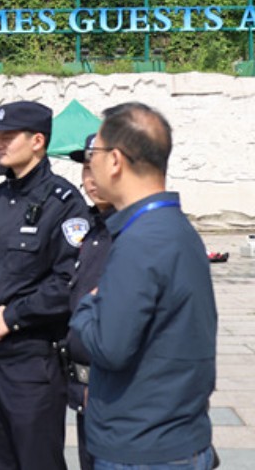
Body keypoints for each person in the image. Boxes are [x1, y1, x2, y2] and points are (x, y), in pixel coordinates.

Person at [68, 102, 218, 470]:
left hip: (143, 448)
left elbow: (109, 346)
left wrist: (87, 308)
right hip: (175, 436)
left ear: (115, 160)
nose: (92, 165)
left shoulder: (140, 241)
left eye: (95, 154)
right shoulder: (174, 229)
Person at [0, 101, 92, 470]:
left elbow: (69, 282)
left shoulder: (64, 202)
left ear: (37, 141)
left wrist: (13, 317)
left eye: (8, 136)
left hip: (34, 361)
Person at [64, 132, 116, 470]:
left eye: (96, 168)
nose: (90, 180)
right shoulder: (87, 226)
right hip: (84, 386)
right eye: (85, 170)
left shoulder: (133, 230)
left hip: (119, 390)